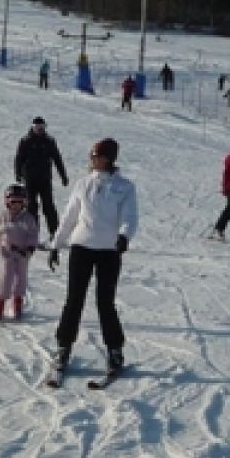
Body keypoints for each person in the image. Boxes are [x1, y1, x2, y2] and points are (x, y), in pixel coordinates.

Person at [46, 138, 138, 376]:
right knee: (73, 300)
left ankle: (115, 350)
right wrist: (56, 244)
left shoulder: (125, 187)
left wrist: (124, 236)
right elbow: (69, 217)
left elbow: (130, 216)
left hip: (109, 250)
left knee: (105, 302)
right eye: (92, 155)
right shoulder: (83, 184)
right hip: (81, 248)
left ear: (108, 158)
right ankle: (63, 347)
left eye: (96, 156)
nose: (92, 159)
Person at [0, 182, 39, 321]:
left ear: (24, 203)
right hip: (7, 252)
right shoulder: (3, 217)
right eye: (13, 202)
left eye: (19, 202)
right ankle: (0, 304)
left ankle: (17, 303)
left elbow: (33, 234)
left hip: (23, 254)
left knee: (21, 279)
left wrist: (30, 247)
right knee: (6, 278)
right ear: (7, 202)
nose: (16, 205)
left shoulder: (28, 218)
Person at [14, 117, 70, 237]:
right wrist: (18, 174)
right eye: (37, 128)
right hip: (30, 180)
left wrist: (63, 176)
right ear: (32, 127)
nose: (39, 130)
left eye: (42, 128)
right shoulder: (25, 141)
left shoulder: (49, 141)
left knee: (49, 207)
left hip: (45, 179)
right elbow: (19, 159)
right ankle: (33, 235)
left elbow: (57, 159)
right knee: (31, 208)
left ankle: (55, 234)